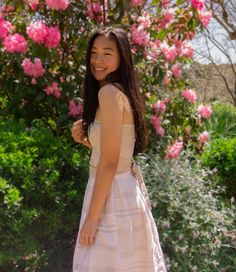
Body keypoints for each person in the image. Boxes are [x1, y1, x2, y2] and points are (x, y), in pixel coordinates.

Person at [71, 26, 167, 272]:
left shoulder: (109, 93)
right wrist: (87, 140)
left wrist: (93, 218)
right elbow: (116, 150)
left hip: (110, 198)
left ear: (122, 57)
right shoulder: (120, 92)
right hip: (120, 191)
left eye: (107, 53)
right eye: (93, 53)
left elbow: (111, 161)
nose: (97, 60)